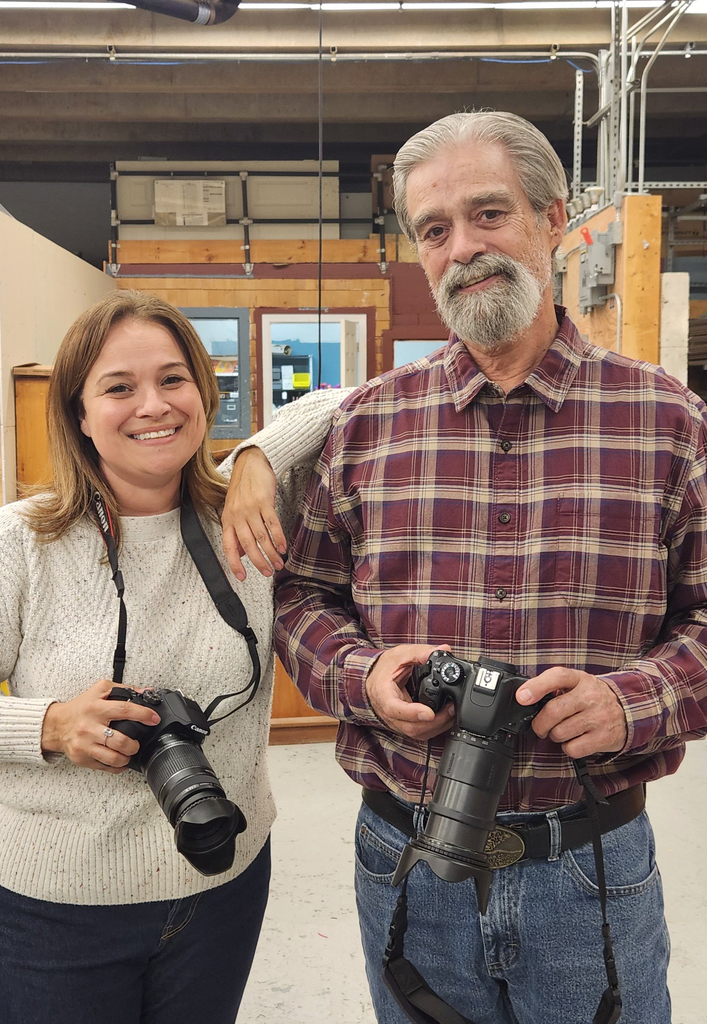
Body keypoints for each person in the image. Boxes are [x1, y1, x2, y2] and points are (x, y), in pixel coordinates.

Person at [274, 111, 707, 1024]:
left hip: (587, 867)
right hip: (405, 861)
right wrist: (362, 675)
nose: (463, 248)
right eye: (435, 230)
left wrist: (635, 700)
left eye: (489, 214)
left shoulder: (666, 423)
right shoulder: (369, 425)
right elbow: (303, 596)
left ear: (556, 221)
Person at [0, 290, 342, 1024]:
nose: (152, 405)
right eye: (119, 388)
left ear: (203, 391)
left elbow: (351, 401)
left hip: (223, 880)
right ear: (80, 416)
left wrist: (257, 454)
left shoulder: (251, 516)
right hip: (58, 905)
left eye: (172, 379)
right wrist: (51, 726)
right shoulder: (20, 543)